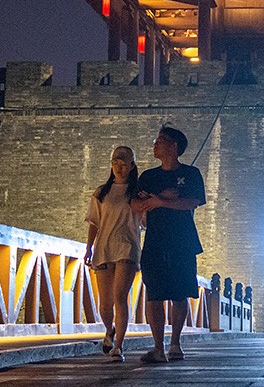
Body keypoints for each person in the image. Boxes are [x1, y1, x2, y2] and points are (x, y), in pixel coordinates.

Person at [132, 125, 205, 363]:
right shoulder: (148, 177)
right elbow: (136, 205)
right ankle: (157, 347)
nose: (155, 144)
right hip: (155, 240)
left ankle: (175, 343)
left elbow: (191, 202)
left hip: (182, 239)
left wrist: (159, 201)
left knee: (180, 293)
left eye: (160, 140)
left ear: (174, 146)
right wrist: (158, 201)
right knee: (154, 293)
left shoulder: (191, 174)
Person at [85, 145, 143, 362]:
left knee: (120, 296)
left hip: (128, 247)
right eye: (115, 162)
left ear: (132, 166)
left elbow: (145, 221)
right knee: (105, 302)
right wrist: (89, 247)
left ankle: (119, 345)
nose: (119, 166)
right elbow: (94, 222)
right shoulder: (101, 192)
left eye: (123, 162)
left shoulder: (137, 193)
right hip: (104, 247)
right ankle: (109, 330)